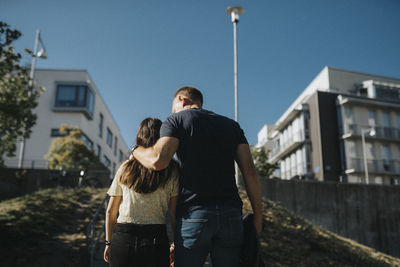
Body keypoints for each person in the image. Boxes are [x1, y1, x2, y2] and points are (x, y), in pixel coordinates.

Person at [132, 86, 262, 267]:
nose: (173, 112)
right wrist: (258, 216)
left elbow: (158, 161)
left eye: (173, 107)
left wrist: (136, 150)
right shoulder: (232, 126)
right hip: (231, 215)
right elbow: (250, 172)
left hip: (194, 214)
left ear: (181, 100)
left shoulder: (176, 120)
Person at [104, 118, 179, 267]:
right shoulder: (172, 170)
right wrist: (176, 243)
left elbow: (111, 211)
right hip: (156, 240)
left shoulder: (125, 167)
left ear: (139, 136)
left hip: (122, 237)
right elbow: (174, 214)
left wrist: (108, 242)